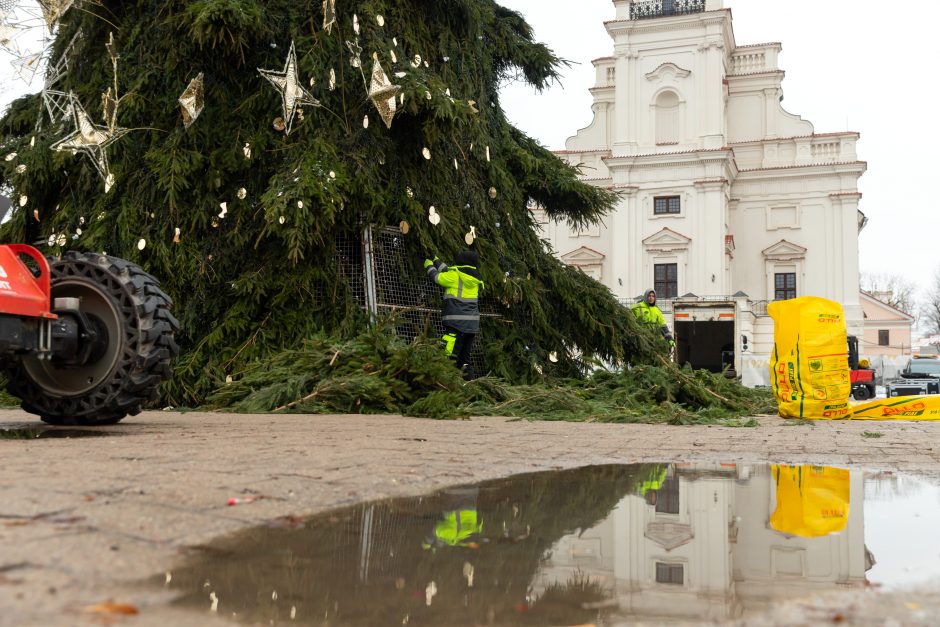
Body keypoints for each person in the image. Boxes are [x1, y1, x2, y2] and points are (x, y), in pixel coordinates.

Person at [424, 250, 484, 378]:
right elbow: (448, 271)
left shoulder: (455, 277)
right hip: (471, 327)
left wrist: (428, 264)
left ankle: (447, 386)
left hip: (456, 325)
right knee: (465, 360)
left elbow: (437, 277)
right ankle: (471, 386)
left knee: (447, 357)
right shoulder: (473, 278)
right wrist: (436, 259)